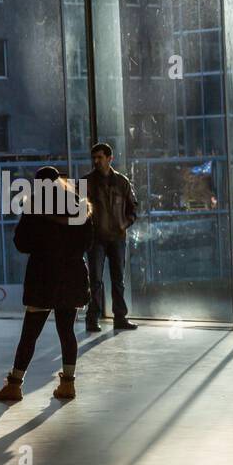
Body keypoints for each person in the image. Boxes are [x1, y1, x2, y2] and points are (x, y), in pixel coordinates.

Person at [0, 167, 94, 403]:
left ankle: (15, 385)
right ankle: (68, 384)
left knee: (30, 334)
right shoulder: (78, 205)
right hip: (72, 277)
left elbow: (21, 243)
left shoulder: (35, 207)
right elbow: (87, 243)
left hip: (43, 278)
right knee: (67, 332)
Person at [84, 142, 139, 333]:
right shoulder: (87, 182)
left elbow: (133, 208)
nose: (96, 161)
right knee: (96, 280)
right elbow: (78, 212)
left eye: (100, 157)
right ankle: (93, 319)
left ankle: (119, 318)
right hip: (97, 238)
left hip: (116, 237)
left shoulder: (122, 182)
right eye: (94, 158)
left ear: (110, 158)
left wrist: (123, 224)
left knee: (117, 280)